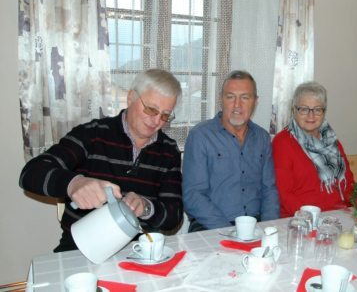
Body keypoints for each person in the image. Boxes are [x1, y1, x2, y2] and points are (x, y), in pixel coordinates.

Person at [19, 69, 184, 252]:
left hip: (138, 250)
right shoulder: (92, 135)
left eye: (165, 115)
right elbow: (30, 173)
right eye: (151, 109)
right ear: (131, 98)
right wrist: (74, 184)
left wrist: (146, 208)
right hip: (79, 247)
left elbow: (174, 215)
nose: (156, 121)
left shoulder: (168, 150)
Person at [182, 70, 280, 231]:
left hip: (256, 224)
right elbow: (194, 196)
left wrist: (269, 229)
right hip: (211, 226)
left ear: (255, 101)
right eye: (230, 97)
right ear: (221, 99)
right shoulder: (200, 136)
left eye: (245, 97)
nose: (237, 105)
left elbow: (269, 190)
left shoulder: (262, 137)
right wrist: (229, 231)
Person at [272, 82, 355, 217]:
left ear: (324, 112)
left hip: (339, 215)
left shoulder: (332, 140)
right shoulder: (282, 142)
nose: (311, 116)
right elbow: (284, 193)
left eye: (317, 110)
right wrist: (313, 217)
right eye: (304, 109)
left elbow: (349, 182)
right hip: (302, 219)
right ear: (294, 110)